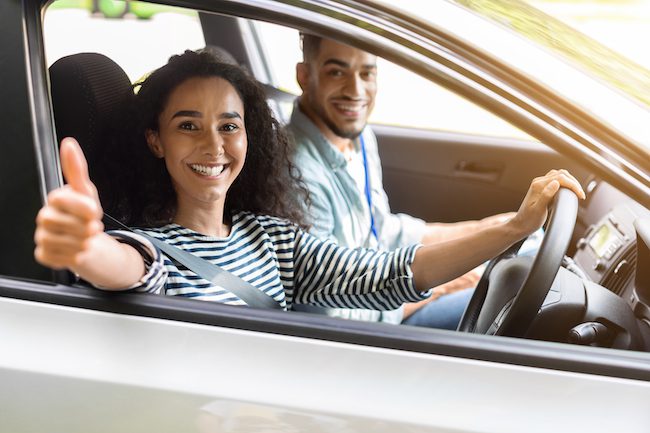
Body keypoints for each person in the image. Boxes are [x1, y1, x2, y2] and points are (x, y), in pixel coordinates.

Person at [33, 49, 584, 313]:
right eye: (187, 127)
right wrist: (86, 249)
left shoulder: (273, 241)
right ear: (155, 141)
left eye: (230, 126)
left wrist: (514, 227)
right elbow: (122, 270)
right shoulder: (155, 249)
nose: (213, 146)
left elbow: (391, 272)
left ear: (250, 137)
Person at [288, 34, 538, 328]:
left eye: (367, 73)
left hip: (388, 287)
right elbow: (329, 316)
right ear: (304, 76)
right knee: (518, 293)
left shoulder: (357, 136)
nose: (356, 90)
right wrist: (444, 286)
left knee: (532, 244)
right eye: (337, 72)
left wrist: (485, 230)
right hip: (371, 330)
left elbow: (382, 230)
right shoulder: (297, 176)